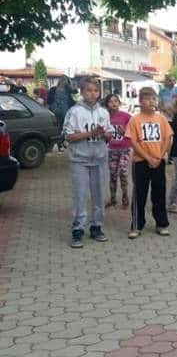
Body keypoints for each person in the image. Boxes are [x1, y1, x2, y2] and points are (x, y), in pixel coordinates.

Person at [63, 77, 113, 248]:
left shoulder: (104, 112)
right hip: (80, 159)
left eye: (96, 91)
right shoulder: (74, 112)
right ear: (82, 92)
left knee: (99, 194)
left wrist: (105, 134)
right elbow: (68, 135)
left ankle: (96, 226)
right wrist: (90, 134)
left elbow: (109, 134)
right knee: (80, 195)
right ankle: (78, 229)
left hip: (99, 158)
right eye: (89, 90)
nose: (93, 94)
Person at [125, 87, 173, 239]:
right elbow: (133, 142)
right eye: (148, 99)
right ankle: (137, 225)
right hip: (141, 162)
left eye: (154, 99)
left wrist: (159, 156)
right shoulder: (135, 120)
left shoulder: (161, 119)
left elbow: (167, 138)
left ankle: (161, 223)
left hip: (158, 162)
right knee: (139, 194)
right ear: (140, 101)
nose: (152, 102)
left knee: (159, 192)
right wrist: (148, 157)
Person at [104, 94, 132, 209]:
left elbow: (134, 128)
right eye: (110, 101)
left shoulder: (126, 116)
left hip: (125, 149)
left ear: (119, 103)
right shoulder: (105, 117)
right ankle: (113, 199)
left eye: (116, 101)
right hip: (112, 150)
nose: (114, 103)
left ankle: (125, 199)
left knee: (123, 173)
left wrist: (125, 132)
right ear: (107, 104)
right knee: (113, 174)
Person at [49, 76, 77, 147]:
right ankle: (59, 143)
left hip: (65, 110)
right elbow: (49, 100)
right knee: (57, 127)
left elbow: (76, 94)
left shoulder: (69, 90)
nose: (63, 81)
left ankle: (63, 142)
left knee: (65, 126)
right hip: (55, 110)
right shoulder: (53, 89)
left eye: (65, 80)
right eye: (62, 79)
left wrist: (70, 86)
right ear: (59, 80)